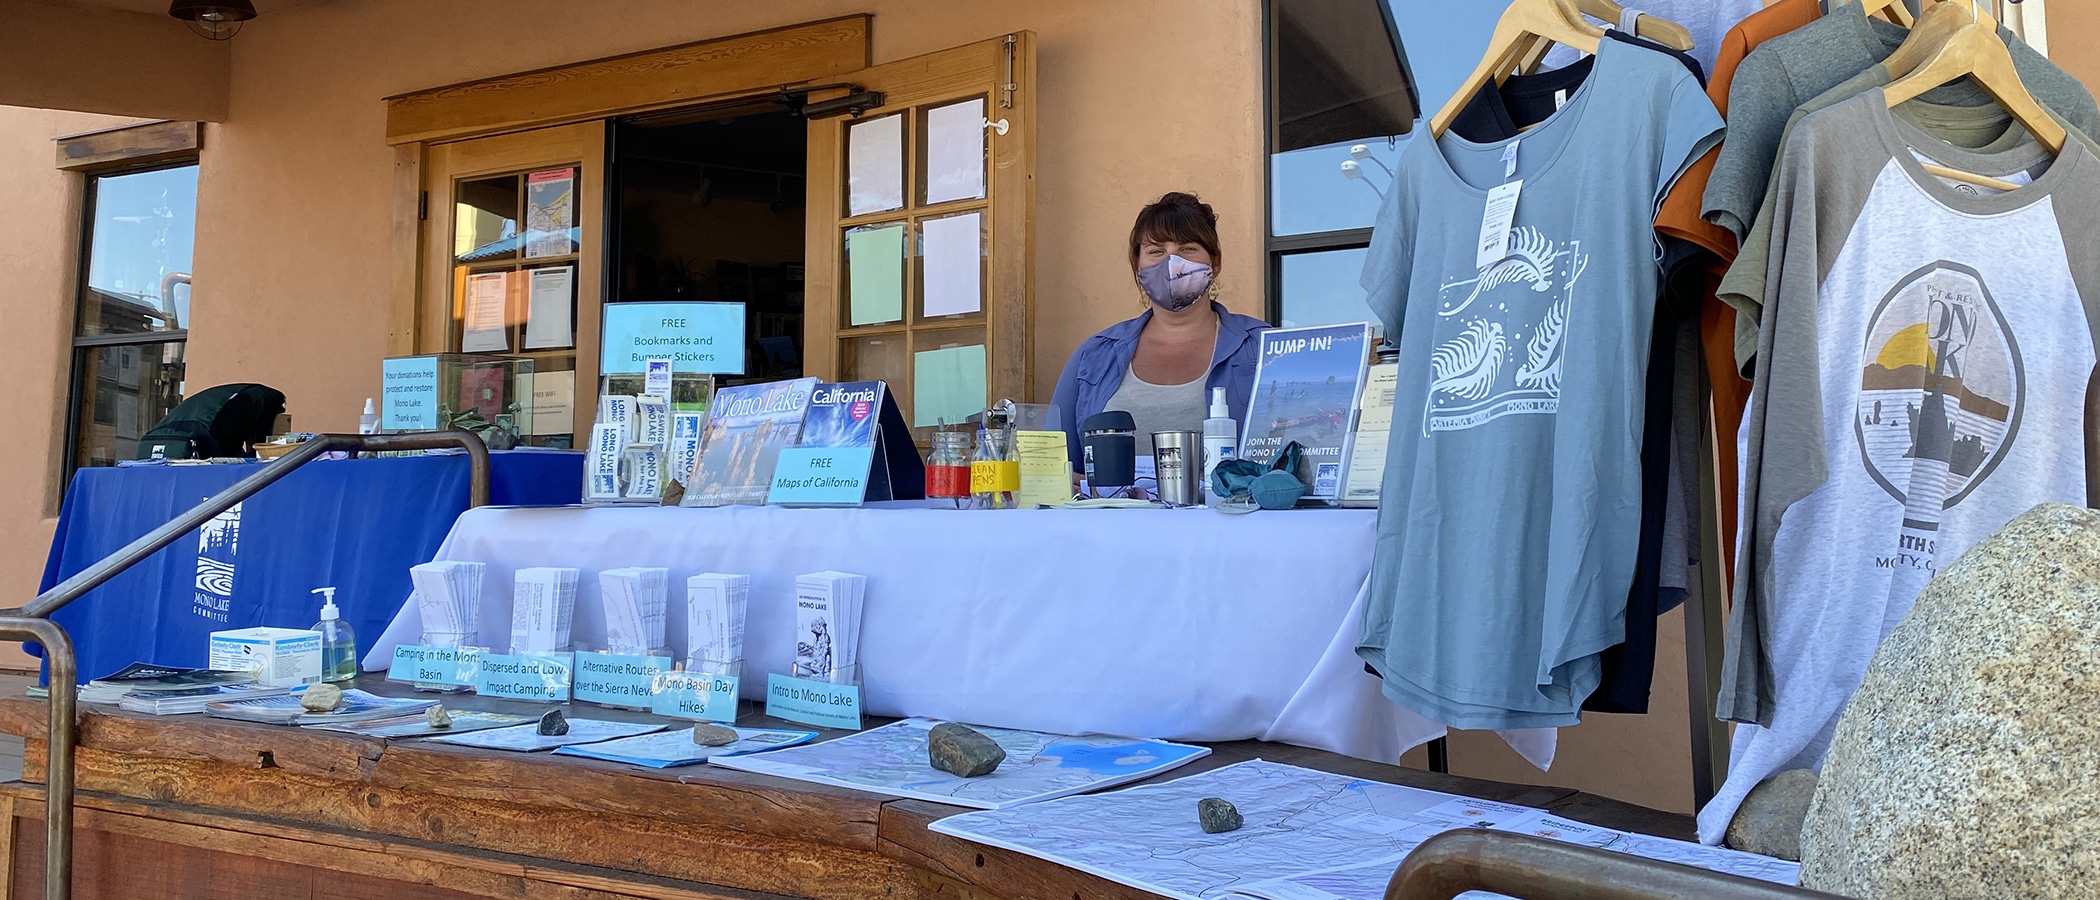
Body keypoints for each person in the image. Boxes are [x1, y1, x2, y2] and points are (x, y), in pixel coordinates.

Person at [1050, 192, 1267, 471]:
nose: (1171, 262)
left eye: (1187, 249)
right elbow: (1053, 468)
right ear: (1137, 267)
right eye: (1156, 251)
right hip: (1113, 516)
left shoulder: (1262, 349)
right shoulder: (1093, 356)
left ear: (1215, 264)